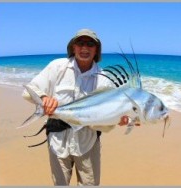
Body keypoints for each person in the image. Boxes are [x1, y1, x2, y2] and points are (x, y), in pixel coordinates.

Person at [22, 29, 129, 186]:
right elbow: (28, 90)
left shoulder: (104, 80)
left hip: (88, 143)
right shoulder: (57, 67)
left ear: (96, 50)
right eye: (80, 43)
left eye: (90, 44)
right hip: (58, 142)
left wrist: (120, 119)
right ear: (73, 47)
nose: (84, 48)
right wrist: (44, 99)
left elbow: (107, 116)